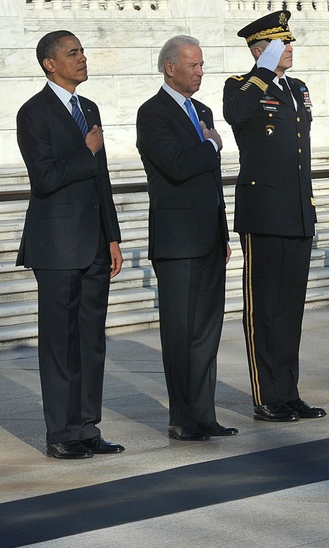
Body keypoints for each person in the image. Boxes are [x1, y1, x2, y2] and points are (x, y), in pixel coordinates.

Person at [16, 30, 125, 459]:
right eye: (72, 53)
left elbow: (103, 180)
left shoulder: (89, 108)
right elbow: (43, 177)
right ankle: (60, 433)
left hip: (96, 243)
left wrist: (112, 235)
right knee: (60, 342)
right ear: (49, 63)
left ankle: (86, 428)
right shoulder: (34, 113)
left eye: (82, 51)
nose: (82, 58)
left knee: (92, 340)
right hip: (57, 245)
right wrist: (85, 150)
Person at [223, 10, 326, 423]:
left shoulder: (297, 88)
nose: (291, 49)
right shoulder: (241, 86)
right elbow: (237, 115)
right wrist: (262, 70)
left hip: (298, 211)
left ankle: (288, 392)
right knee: (263, 310)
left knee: (289, 310)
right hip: (263, 214)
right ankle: (266, 396)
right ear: (260, 50)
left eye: (290, 42)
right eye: (282, 44)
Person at [136, 35, 237, 441]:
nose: (199, 72)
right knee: (180, 332)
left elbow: (211, 181)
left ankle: (205, 414)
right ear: (170, 67)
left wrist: (223, 231)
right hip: (177, 241)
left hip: (209, 236)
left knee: (207, 331)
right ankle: (182, 417)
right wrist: (210, 144)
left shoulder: (203, 109)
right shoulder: (153, 113)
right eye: (192, 65)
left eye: (201, 65)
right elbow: (177, 166)